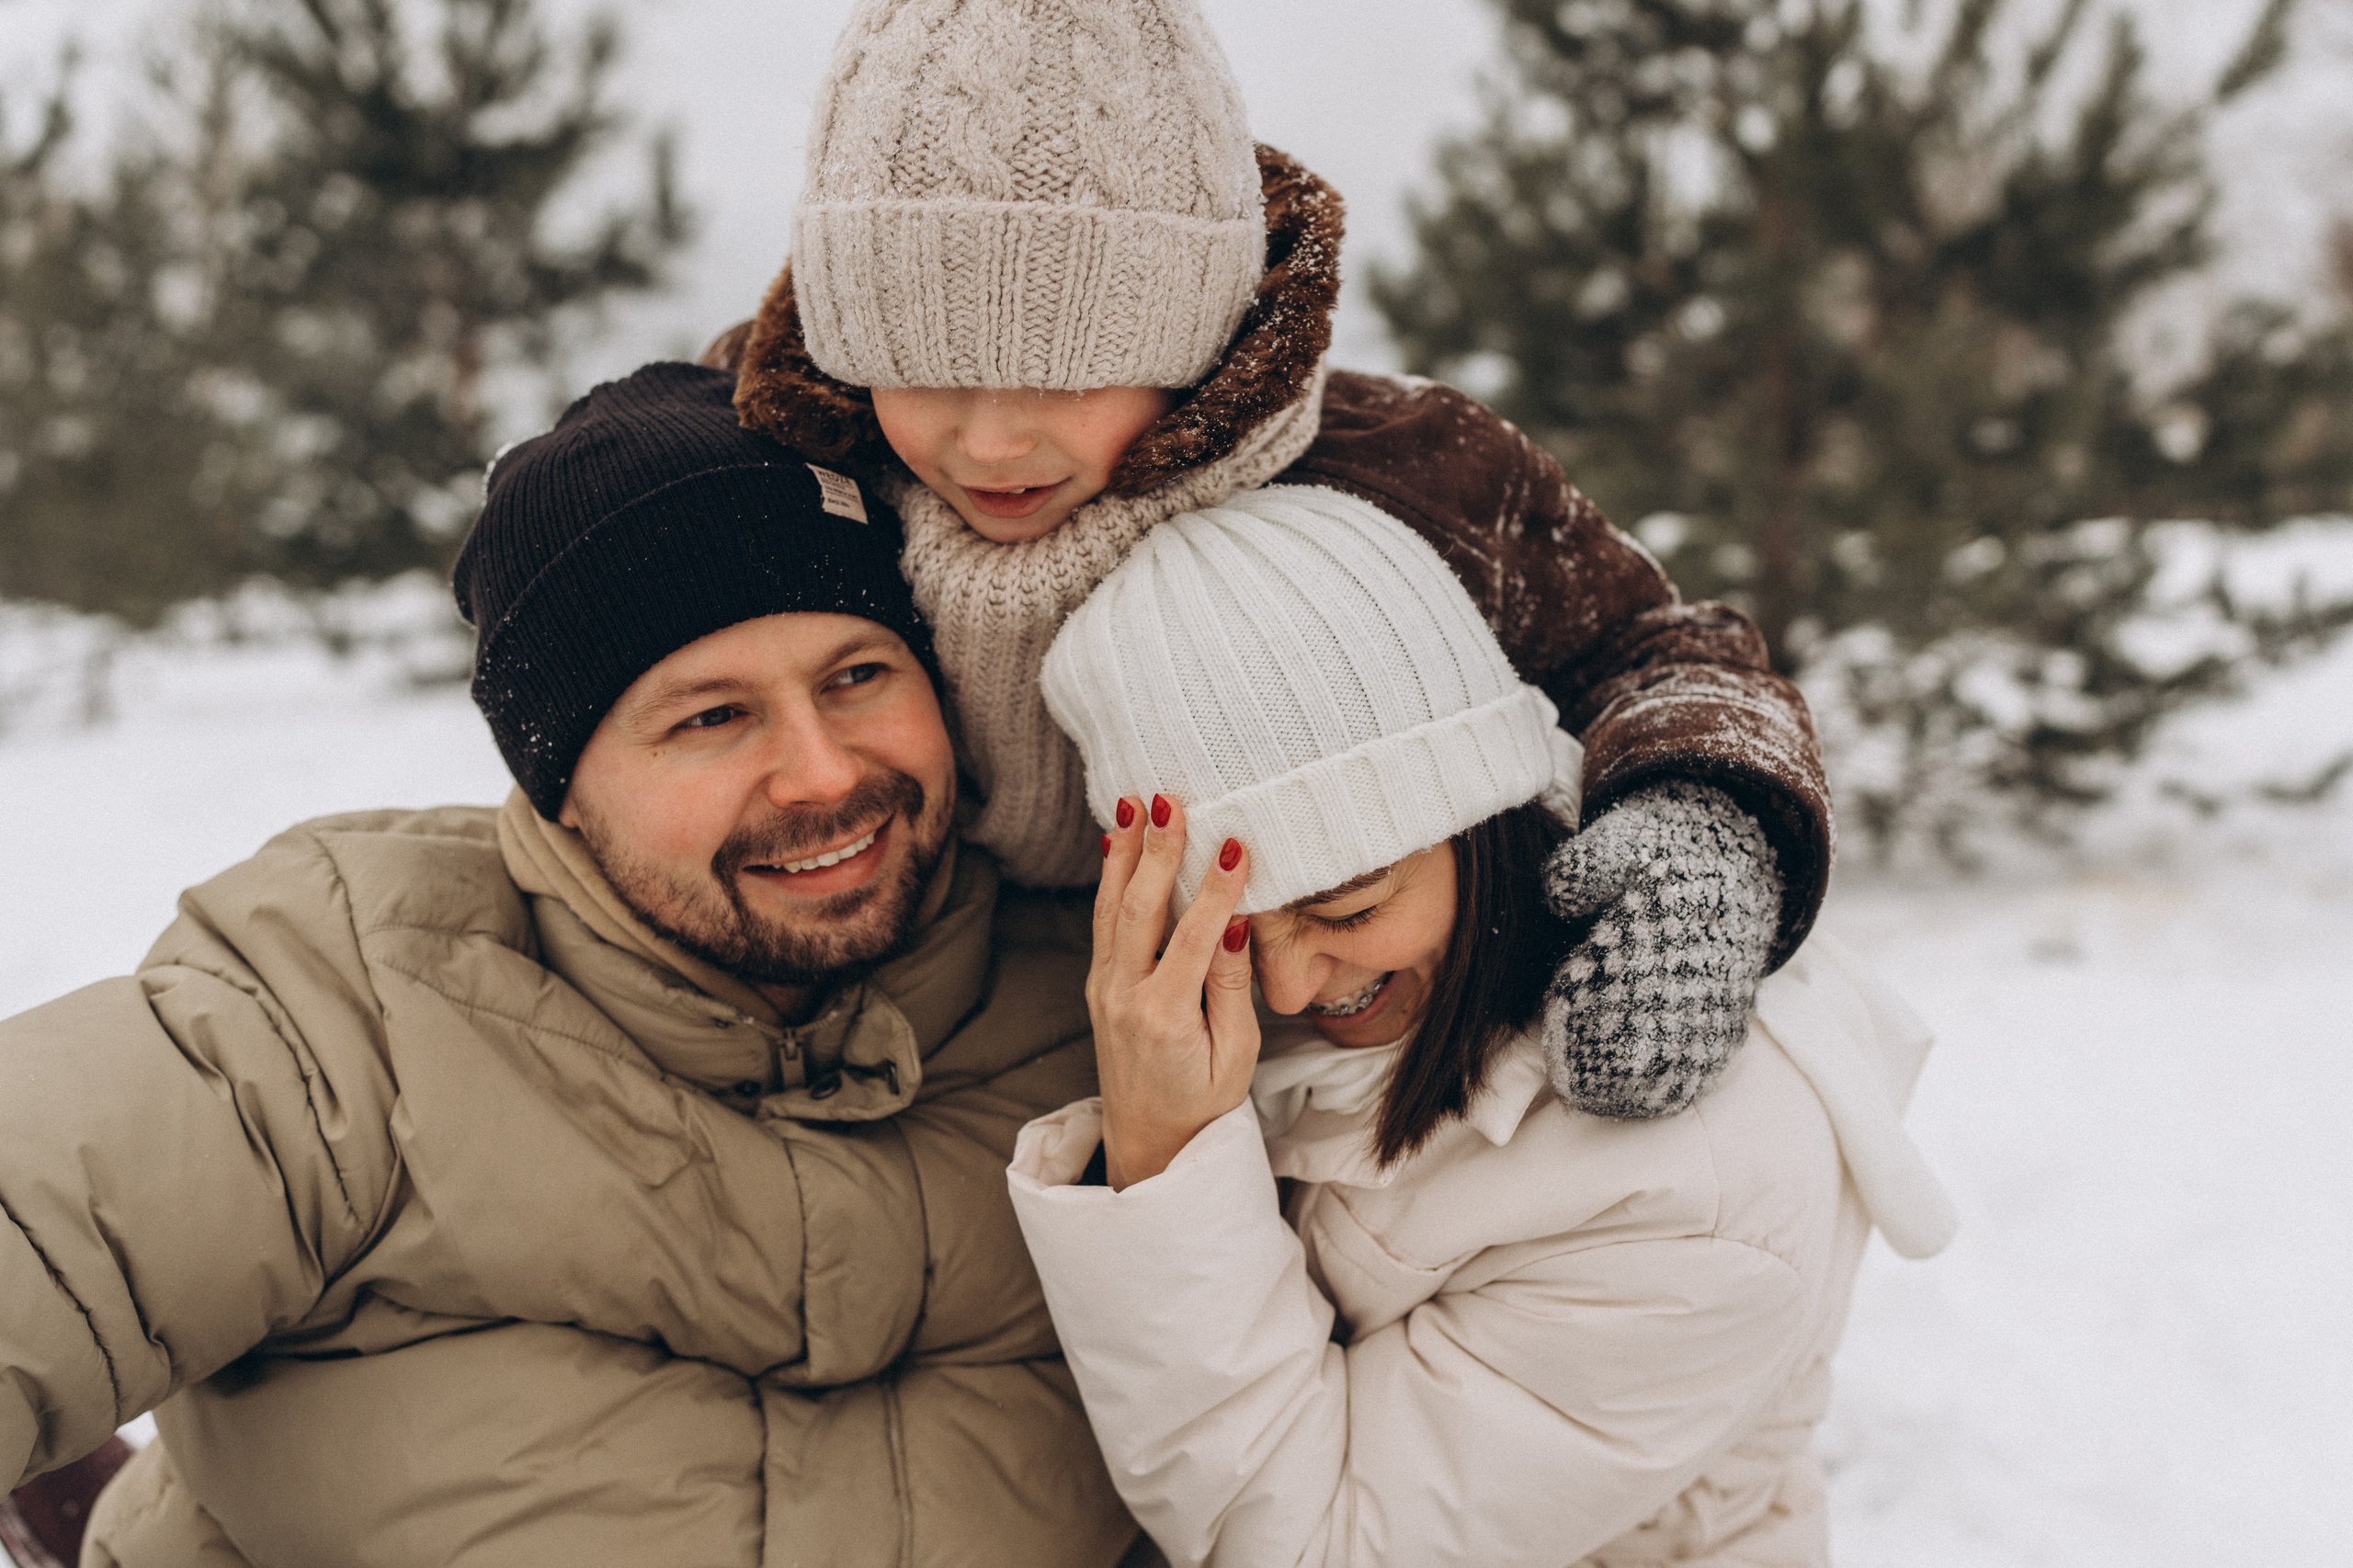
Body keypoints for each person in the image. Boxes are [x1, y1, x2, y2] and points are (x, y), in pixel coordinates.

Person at [0, 365, 1143, 1568]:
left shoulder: (1099, 1003)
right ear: (565, 795)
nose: (820, 772)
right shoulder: (353, 998)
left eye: (857, 677)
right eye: (710, 717)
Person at [699, 0, 1837, 1124]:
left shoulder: (1402, 468)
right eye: (928, 374)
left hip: (1307, 1054)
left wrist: (1702, 812)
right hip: (940, 1035)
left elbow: (1647, 643)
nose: (990, 442)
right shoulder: (799, 483)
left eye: (1068, 375)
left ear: (1193, 343)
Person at [1006, 486, 1957, 1566]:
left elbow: (1317, 1544)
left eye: (1348, 905)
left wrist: (1163, 1156)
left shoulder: (1694, 1185)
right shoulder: (1284, 997)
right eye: (1219, 924)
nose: (1282, 987)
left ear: (1480, 820)